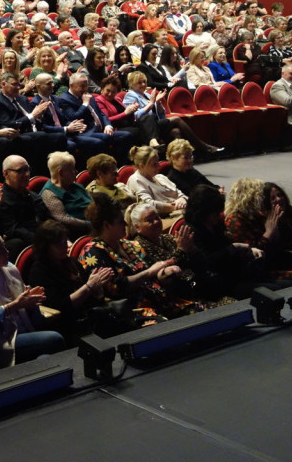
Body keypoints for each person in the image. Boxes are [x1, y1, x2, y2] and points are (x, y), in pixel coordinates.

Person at [78, 192, 194, 327]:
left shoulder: (130, 245)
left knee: (200, 313)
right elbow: (116, 288)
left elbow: (154, 269)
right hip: (131, 311)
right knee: (170, 330)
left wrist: (166, 272)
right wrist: (149, 273)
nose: (126, 224)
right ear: (107, 225)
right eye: (121, 222)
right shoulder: (92, 252)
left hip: (161, 300)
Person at [0, 225, 66, 366]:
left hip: (26, 331)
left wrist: (31, 305)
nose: (6, 251)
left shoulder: (10, 268)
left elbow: (34, 319)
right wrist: (15, 305)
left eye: (4, 246)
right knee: (54, 339)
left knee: (45, 359)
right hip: (2, 339)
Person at [27, 220, 115, 343]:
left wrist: (98, 287)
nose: (65, 246)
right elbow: (60, 308)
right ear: (45, 247)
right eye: (59, 244)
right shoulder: (39, 272)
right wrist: (89, 287)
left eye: (65, 242)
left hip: (88, 317)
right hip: (66, 325)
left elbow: (93, 299)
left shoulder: (72, 262)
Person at [40, 151, 92, 238]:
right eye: (72, 169)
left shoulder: (77, 186)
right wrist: (91, 225)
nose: (76, 172)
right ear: (60, 172)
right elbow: (63, 219)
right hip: (79, 233)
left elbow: (94, 203)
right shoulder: (49, 194)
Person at [126, 145, 186, 217]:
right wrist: (176, 206)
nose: (159, 166)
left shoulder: (160, 177)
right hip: (162, 218)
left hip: (180, 210)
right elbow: (148, 205)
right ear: (141, 166)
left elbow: (179, 192)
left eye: (158, 163)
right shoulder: (135, 180)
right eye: (154, 164)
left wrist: (182, 199)